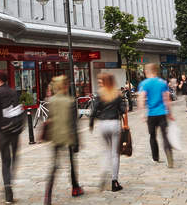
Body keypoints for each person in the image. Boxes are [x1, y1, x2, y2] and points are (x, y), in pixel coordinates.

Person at [44, 75, 83, 204]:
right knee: (72, 163)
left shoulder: (51, 100)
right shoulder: (70, 101)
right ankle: (75, 187)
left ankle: (48, 194)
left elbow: (49, 119)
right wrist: (77, 141)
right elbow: (73, 123)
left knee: (54, 165)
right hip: (68, 136)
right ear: (64, 86)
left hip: (55, 136)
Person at [0, 70, 23, 204]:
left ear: (0, 80)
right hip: (15, 131)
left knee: (5, 161)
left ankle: (8, 189)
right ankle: (11, 180)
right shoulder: (13, 91)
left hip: (3, 132)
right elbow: (18, 108)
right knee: (14, 158)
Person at [90, 72, 127, 192]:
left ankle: (104, 171)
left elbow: (94, 110)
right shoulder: (117, 94)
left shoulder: (99, 94)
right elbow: (123, 110)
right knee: (115, 154)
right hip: (114, 124)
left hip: (103, 125)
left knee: (106, 151)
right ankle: (114, 181)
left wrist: (91, 123)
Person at [138, 63, 174, 167]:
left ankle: (155, 157)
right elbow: (167, 99)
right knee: (165, 136)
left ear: (146, 71)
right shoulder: (162, 82)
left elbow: (141, 98)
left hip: (151, 114)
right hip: (162, 113)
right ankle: (169, 156)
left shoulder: (144, 83)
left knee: (152, 136)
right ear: (156, 71)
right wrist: (169, 113)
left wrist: (142, 113)